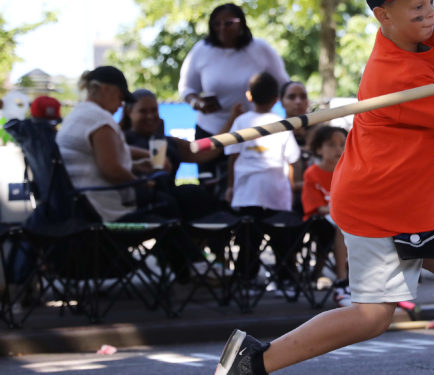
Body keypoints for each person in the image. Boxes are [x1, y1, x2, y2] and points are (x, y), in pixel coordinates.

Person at [213, 0, 434, 374]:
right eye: (417, 9)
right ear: (384, 15)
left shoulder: (414, 33)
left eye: (430, 3)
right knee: (372, 317)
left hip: (411, 199)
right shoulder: (396, 76)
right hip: (378, 205)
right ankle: (254, 362)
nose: (429, 14)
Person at [56, 66, 197, 278]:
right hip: (102, 214)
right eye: (121, 97)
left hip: (76, 207)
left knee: (167, 200)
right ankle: (192, 268)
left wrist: (139, 163)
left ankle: (191, 267)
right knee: (169, 203)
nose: (121, 104)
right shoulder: (98, 120)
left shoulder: (78, 115)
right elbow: (111, 169)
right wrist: (140, 182)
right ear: (105, 90)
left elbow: (102, 155)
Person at [178, 2, 289, 197]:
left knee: (246, 186)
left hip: (250, 131)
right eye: (216, 24)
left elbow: (283, 84)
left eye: (228, 23)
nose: (222, 28)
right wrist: (199, 103)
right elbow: (186, 88)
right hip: (211, 130)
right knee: (209, 190)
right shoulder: (201, 50)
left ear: (242, 24)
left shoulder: (260, 49)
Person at [224, 72, 301, 283]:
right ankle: (286, 277)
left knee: (249, 239)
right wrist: (291, 188)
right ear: (277, 98)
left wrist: (230, 186)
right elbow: (292, 159)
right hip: (276, 191)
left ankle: (246, 277)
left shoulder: (241, 121)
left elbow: (232, 157)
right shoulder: (281, 123)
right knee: (281, 238)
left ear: (249, 96)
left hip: (248, 192)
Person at [119, 89, 223, 221]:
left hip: (170, 195)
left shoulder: (168, 141)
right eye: (143, 111)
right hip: (140, 202)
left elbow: (206, 151)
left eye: (154, 110)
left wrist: (232, 120)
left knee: (196, 194)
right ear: (129, 112)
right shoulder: (120, 140)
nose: (150, 116)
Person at [301, 125, 350, 303]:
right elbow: (316, 206)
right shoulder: (312, 173)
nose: (338, 149)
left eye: (342, 144)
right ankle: (342, 280)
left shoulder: (349, 170)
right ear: (319, 149)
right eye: (331, 144)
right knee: (341, 226)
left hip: (346, 218)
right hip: (320, 221)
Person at [279, 80, 315, 214]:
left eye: (303, 96)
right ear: (282, 101)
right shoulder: (274, 133)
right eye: (292, 97)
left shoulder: (321, 133)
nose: (298, 101)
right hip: (284, 201)